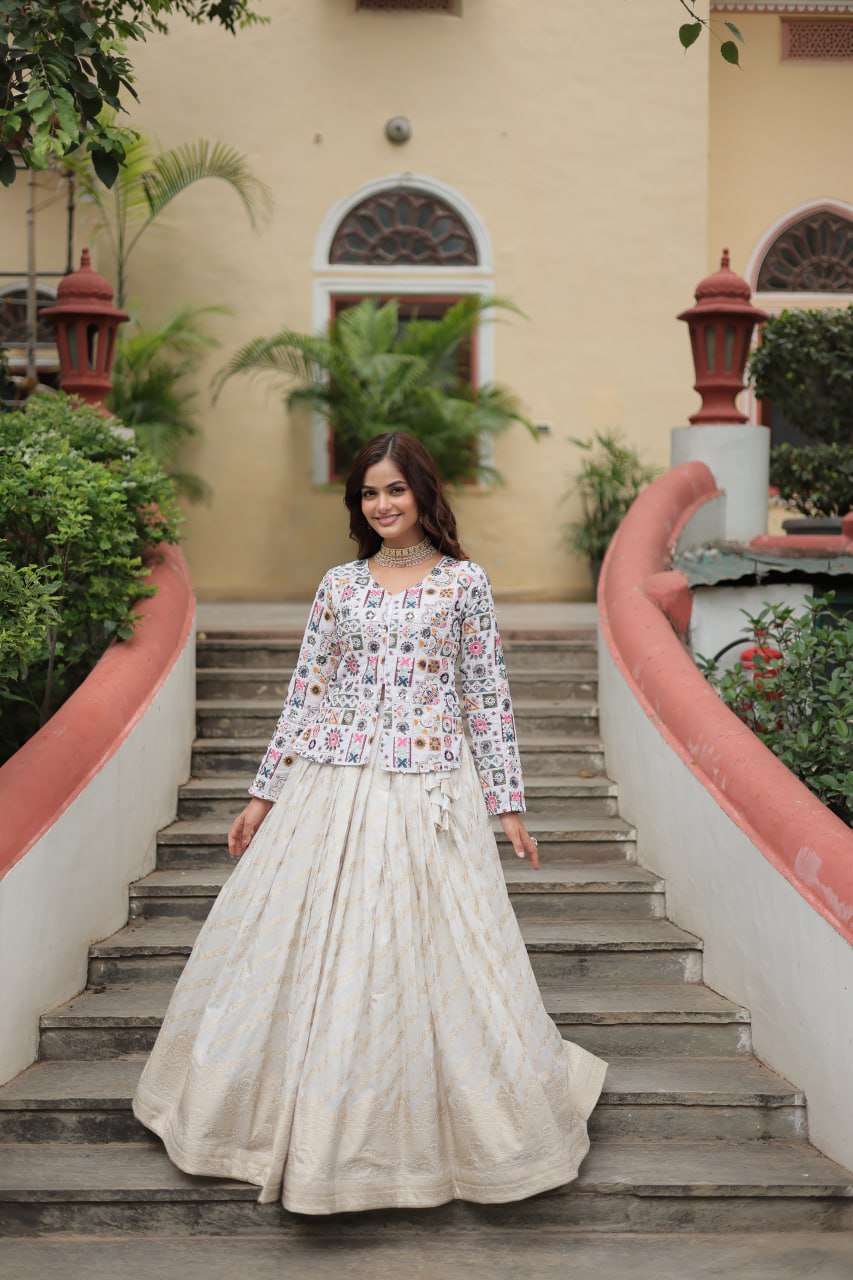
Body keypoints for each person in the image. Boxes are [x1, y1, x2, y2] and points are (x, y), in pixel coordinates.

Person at [132, 431, 607, 1214]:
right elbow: (306, 690)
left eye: (394, 489)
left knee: (432, 952)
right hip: (331, 780)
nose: (381, 505)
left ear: (423, 491)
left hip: (426, 784)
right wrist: (263, 794)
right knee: (298, 949)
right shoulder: (339, 586)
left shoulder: (464, 584)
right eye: (367, 493)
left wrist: (507, 801)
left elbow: (484, 695)